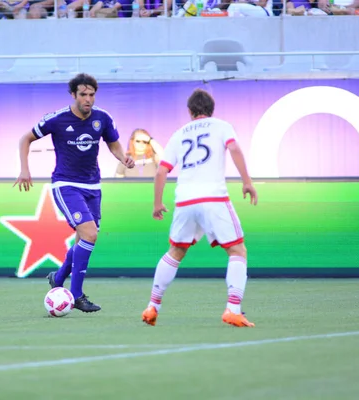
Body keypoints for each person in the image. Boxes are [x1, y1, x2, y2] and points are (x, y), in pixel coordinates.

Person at [14, 73, 135, 313]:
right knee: (89, 234)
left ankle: (58, 279)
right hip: (66, 184)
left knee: (84, 239)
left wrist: (124, 157)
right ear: (73, 95)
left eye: (91, 94)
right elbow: (25, 139)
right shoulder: (57, 119)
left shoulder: (103, 118)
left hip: (93, 186)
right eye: (83, 94)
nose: (88, 99)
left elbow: (113, 143)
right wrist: (25, 170)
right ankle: (76, 295)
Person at [141, 89, 258, 327]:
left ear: (190, 111)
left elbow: (162, 170)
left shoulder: (178, 134)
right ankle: (233, 309)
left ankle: (153, 306)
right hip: (213, 198)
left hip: (185, 200)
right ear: (211, 109)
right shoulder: (221, 126)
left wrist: (157, 203)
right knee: (237, 251)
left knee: (175, 252)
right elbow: (234, 148)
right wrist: (247, 181)